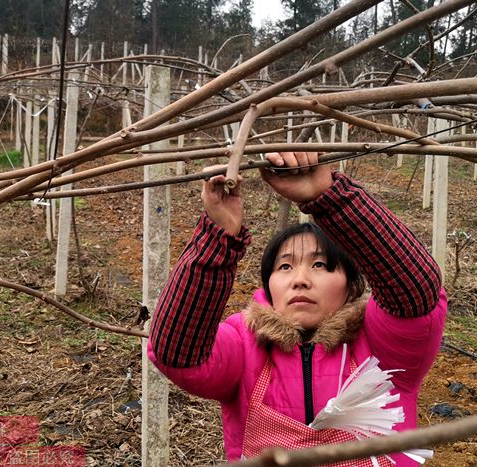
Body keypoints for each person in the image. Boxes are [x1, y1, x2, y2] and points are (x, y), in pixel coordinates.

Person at [147, 151, 447, 465]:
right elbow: (176, 352)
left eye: (320, 265)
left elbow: (416, 291)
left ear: (352, 284)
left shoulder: (380, 346)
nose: (300, 280)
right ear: (269, 285)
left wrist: (330, 198)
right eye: (285, 267)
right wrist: (217, 237)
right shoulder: (245, 345)